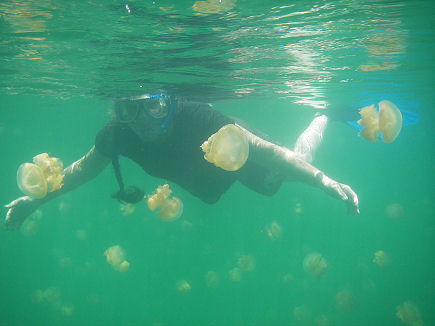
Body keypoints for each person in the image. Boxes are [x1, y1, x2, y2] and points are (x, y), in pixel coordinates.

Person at [3, 91, 359, 229]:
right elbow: (81, 171)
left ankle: (322, 115)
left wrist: (322, 180)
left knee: (286, 169)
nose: (143, 119)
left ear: (172, 103)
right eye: (129, 109)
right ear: (118, 110)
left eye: (154, 106)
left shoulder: (202, 118)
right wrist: (35, 200)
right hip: (208, 183)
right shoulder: (118, 134)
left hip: (239, 157)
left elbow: (269, 153)